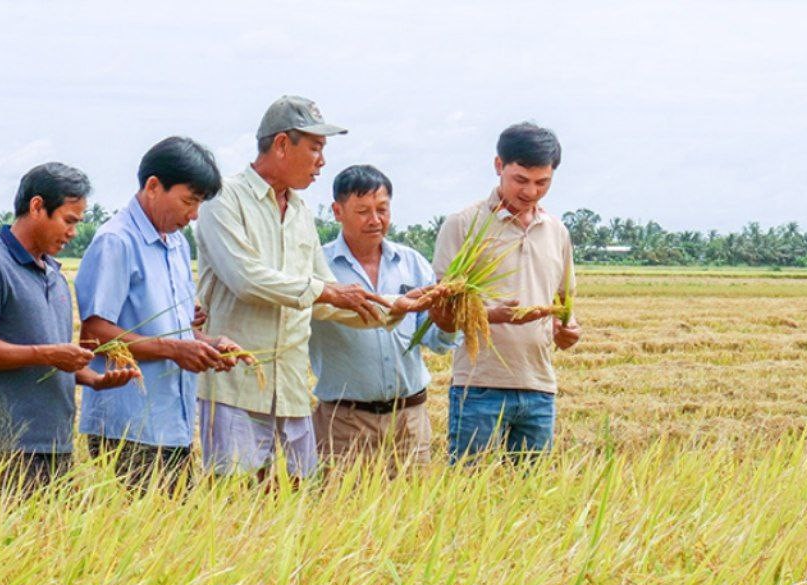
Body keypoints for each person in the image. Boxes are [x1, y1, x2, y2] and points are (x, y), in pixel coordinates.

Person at [195, 95, 425, 484]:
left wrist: (397, 305)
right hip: (236, 388)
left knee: (300, 502)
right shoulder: (224, 199)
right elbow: (247, 279)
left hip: (292, 392)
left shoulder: (300, 211)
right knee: (235, 501)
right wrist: (327, 293)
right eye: (316, 148)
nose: (322, 161)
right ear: (282, 144)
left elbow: (329, 296)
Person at [75, 137, 246, 495]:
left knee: (178, 524)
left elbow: (174, 329)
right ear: (153, 186)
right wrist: (174, 350)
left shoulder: (178, 244)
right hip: (128, 427)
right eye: (188, 201)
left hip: (173, 422)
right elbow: (94, 335)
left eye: (199, 204)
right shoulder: (116, 241)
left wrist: (209, 344)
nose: (194, 215)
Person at [0, 162, 139, 494]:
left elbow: (53, 356)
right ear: (37, 206)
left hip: (57, 442)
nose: (73, 232)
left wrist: (92, 379)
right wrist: (48, 354)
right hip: (10, 446)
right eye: (68, 221)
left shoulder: (54, 274)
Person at [433, 122, 582, 463]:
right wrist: (491, 315)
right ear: (498, 165)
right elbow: (441, 313)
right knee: (469, 487)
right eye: (521, 180)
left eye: (542, 182)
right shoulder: (464, 224)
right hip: (479, 388)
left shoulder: (557, 231)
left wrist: (568, 329)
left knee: (533, 490)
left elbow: (563, 305)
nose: (531, 191)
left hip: (539, 387)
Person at [308, 165, 459, 475]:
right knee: (342, 504)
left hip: (409, 422)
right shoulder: (317, 267)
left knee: (414, 504)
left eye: (382, 209)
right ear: (337, 211)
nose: (375, 220)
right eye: (363, 211)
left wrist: (447, 322)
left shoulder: (412, 263)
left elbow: (437, 341)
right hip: (344, 424)